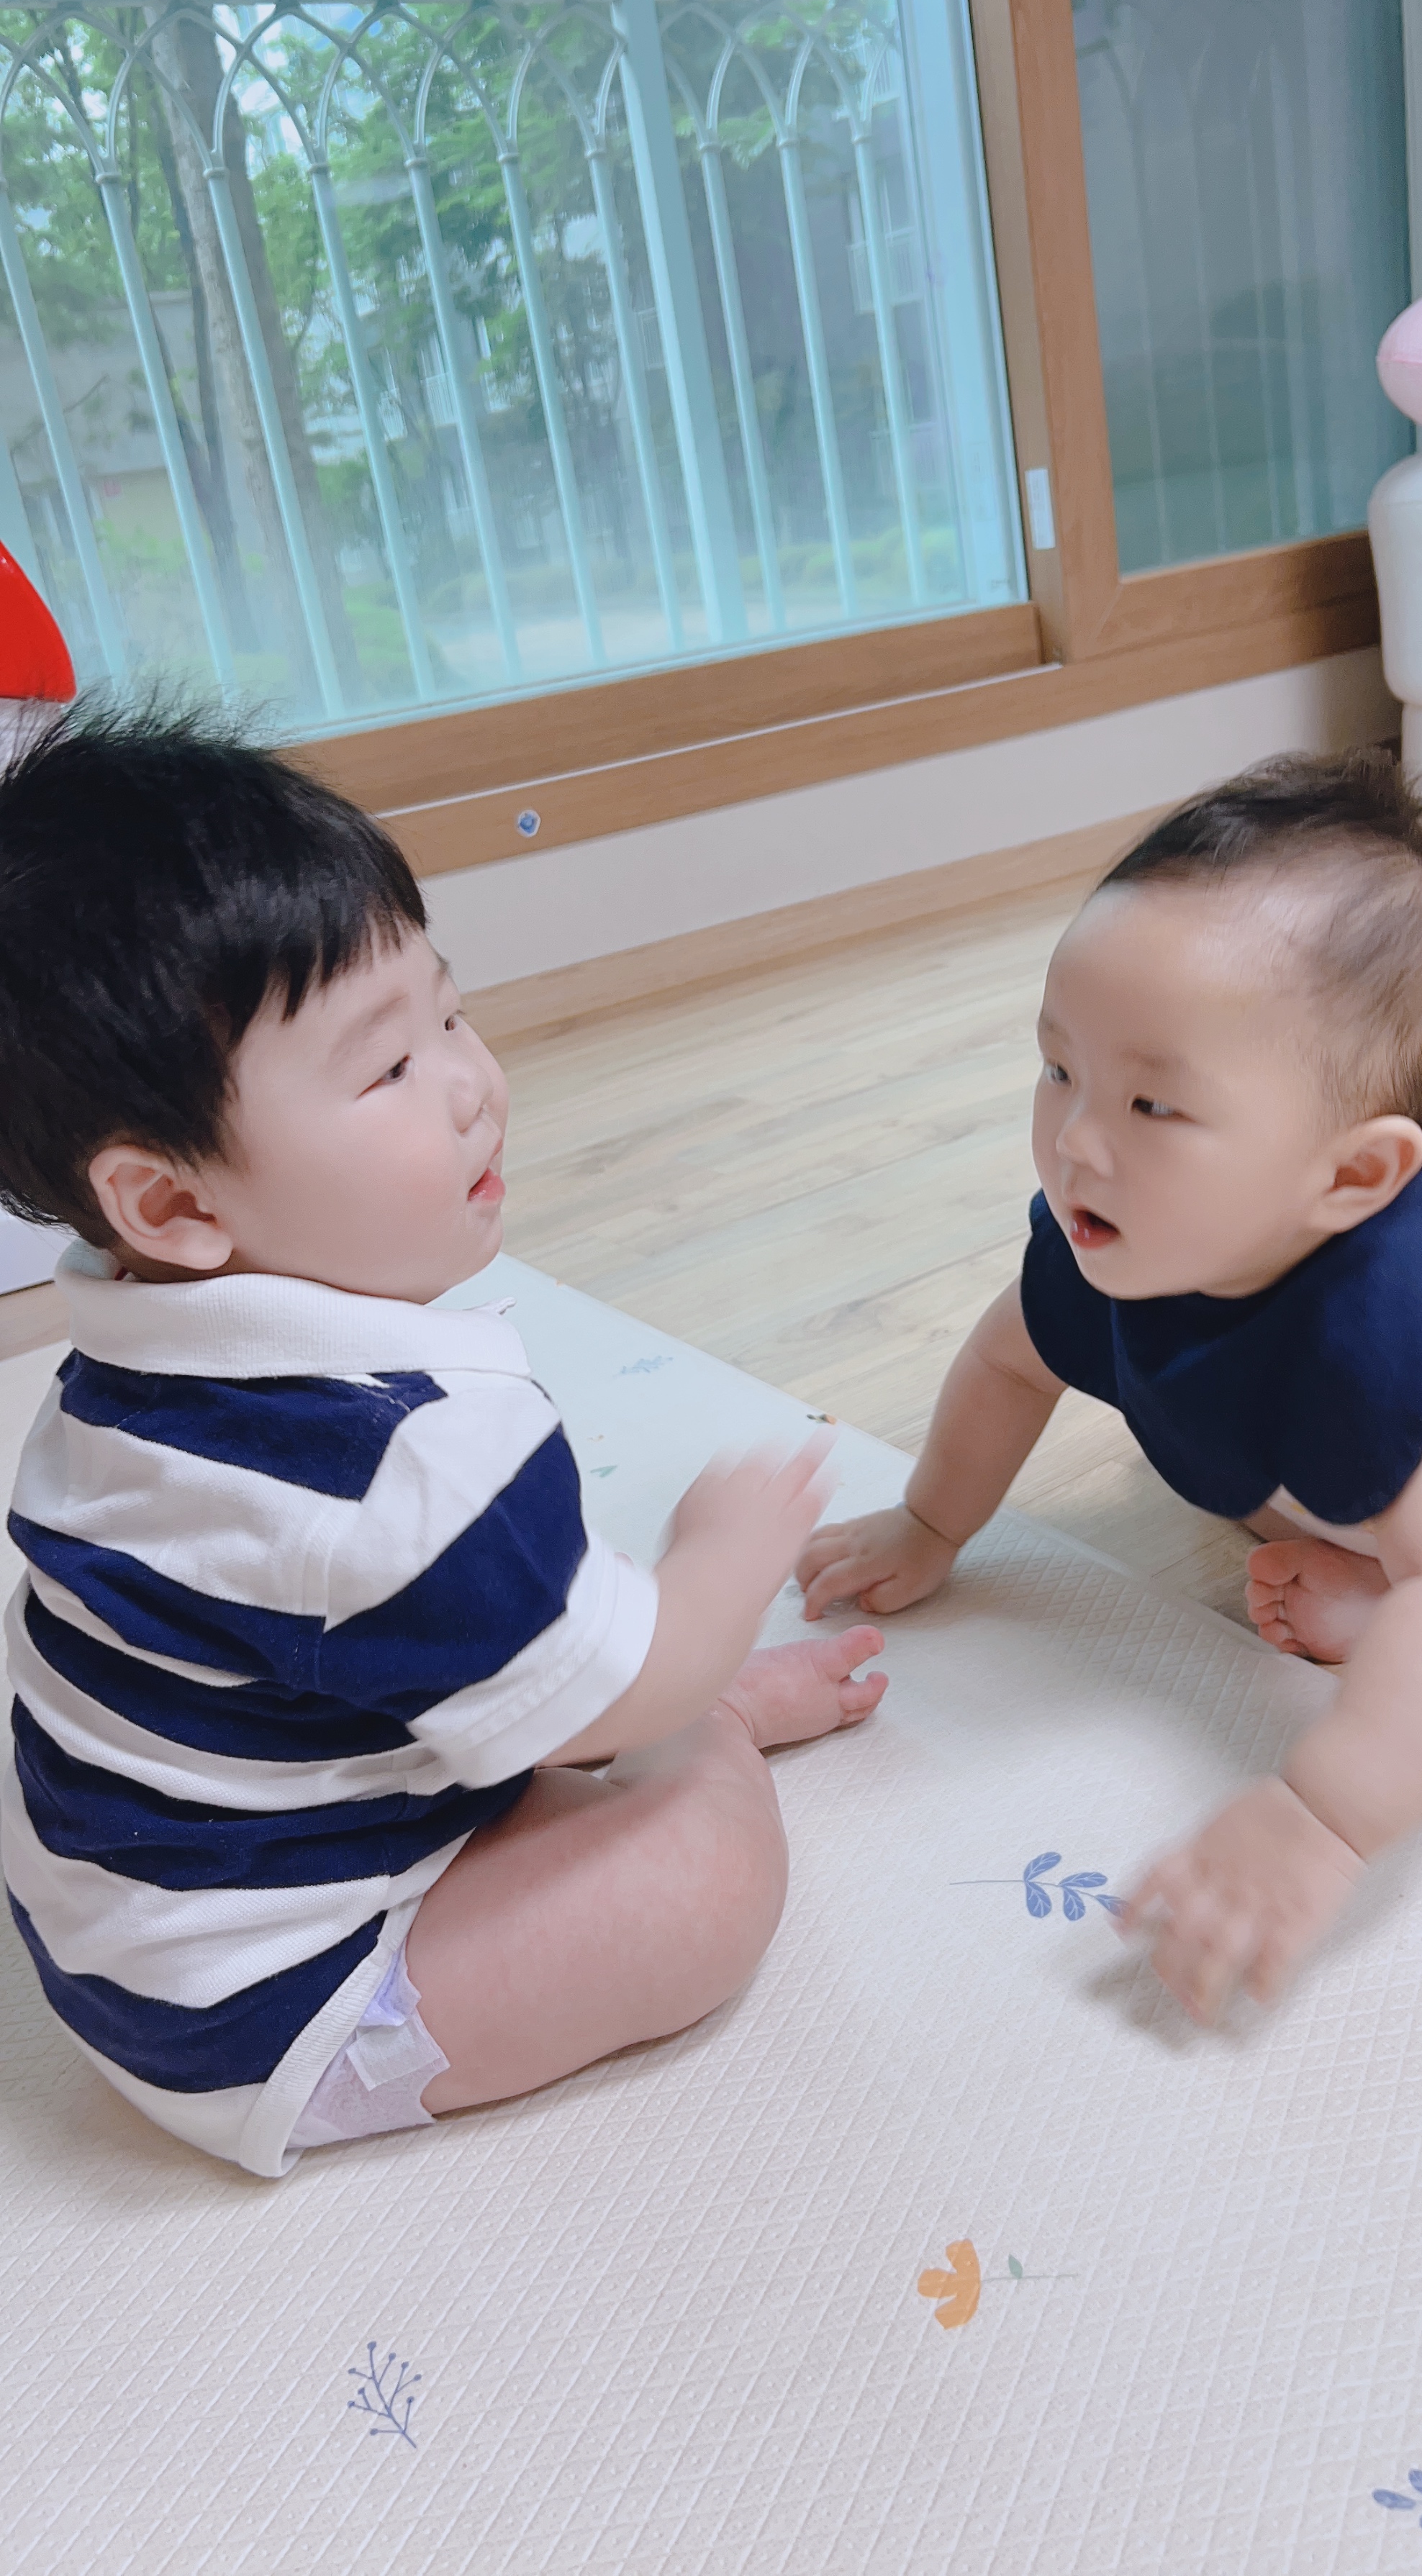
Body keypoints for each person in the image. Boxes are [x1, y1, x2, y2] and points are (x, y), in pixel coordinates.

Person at [0, 700, 885, 2177]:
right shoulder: (403, 1460)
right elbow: (603, 1710)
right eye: (388, 1070)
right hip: (273, 2002)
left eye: (450, 1016)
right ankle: (709, 1727)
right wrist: (720, 1570)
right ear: (173, 1203)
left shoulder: (112, 1367)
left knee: (540, 1645)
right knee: (702, 1881)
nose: (473, 1083)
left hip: (140, 1921)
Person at [799, 750, 1422, 2026]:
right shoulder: (1122, 1229)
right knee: (1241, 1464)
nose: (1077, 1141)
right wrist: (931, 1521)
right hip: (1379, 1471)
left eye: (1152, 1103)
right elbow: (1008, 1358)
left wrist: (1318, 1818)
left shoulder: (1389, 1328)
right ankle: (1391, 1593)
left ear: (1351, 1178)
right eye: (1059, 1069)